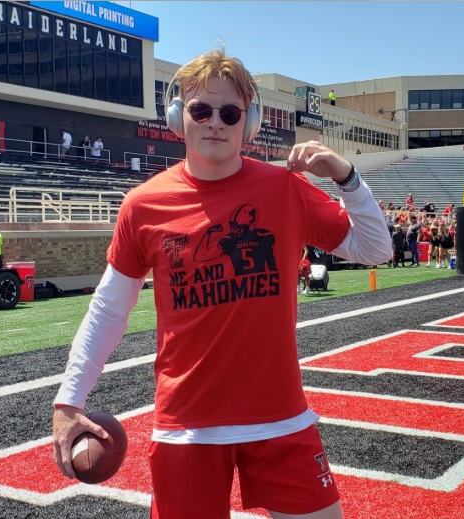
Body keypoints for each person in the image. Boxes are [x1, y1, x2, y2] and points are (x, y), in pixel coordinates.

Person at [51, 48, 392, 519]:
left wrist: (347, 177)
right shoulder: (143, 205)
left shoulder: (283, 188)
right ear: (178, 117)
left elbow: (376, 250)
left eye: (230, 112)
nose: (216, 122)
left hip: (280, 418)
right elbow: (109, 310)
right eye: (201, 110)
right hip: (186, 427)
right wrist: (69, 400)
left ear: (248, 122)